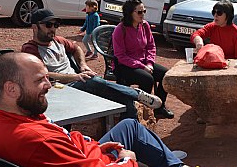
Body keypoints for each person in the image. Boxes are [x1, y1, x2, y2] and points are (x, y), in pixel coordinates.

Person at [0, 52, 230, 167]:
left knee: (130, 127)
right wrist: (127, 160)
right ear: (11, 89)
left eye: (47, 77)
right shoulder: (33, 139)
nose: (48, 85)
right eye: (39, 80)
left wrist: (97, 150)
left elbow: (67, 144)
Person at [22, 8, 161, 120]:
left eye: (55, 25)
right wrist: (76, 77)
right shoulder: (30, 49)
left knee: (125, 102)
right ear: (35, 27)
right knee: (93, 81)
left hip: (80, 81)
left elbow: (76, 48)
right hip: (60, 88)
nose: (52, 29)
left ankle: (129, 139)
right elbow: (43, 75)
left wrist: (83, 65)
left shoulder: (58, 40)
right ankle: (135, 93)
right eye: (48, 25)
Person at [112, 0, 173, 119]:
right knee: (147, 79)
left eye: (144, 11)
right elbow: (121, 56)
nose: (143, 14)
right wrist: (141, 66)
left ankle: (159, 107)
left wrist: (149, 63)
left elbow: (151, 46)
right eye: (139, 12)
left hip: (144, 63)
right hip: (125, 66)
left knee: (166, 75)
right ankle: (139, 110)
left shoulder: (145, 25)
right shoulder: (120, 29)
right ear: (130, 13)